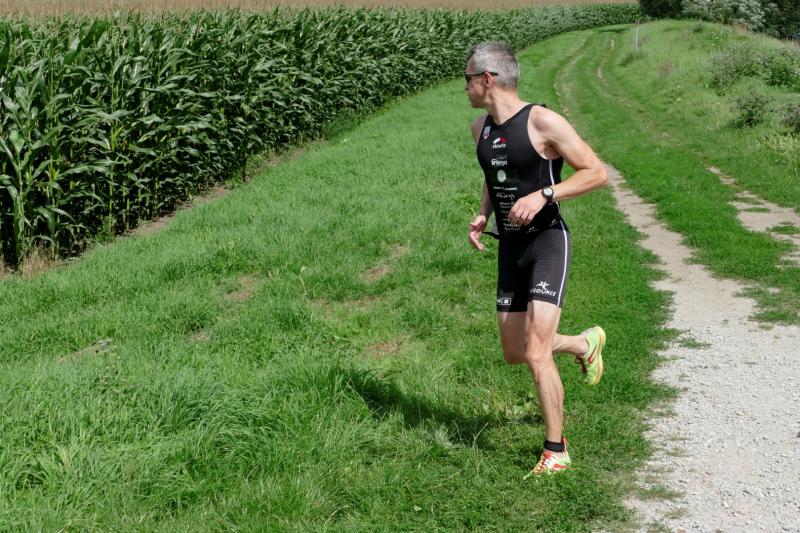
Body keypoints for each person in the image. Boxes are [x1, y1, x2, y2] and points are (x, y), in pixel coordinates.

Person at [465, 41, 608, 476]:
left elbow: (596, 173)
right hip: (510, 248)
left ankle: (556, 450)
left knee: (537, 351)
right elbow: (494, 173)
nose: (465, 87)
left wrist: (545, 193)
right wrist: (484, 213)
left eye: (468, 79)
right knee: (516, 351)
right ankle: (583, 344)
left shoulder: (543, 121)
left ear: (487, 79)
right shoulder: (480, 127)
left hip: (547, 242)